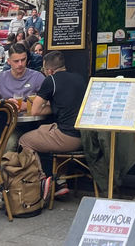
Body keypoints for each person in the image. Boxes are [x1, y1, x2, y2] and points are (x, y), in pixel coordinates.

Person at [20, 50, 87, 200]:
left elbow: (36, 110)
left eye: (44, 70)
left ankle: (42, 181)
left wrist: (49, 105)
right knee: (45, 130)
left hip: (67, 138)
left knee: (25, 140)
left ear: (49, 70)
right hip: (86, 136)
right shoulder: (80, 78)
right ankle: (61, 181)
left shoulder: (51, 81)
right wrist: (55, 105)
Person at [0, 43, 44, 112]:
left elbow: (51, 103)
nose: (20, 64)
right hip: (7, 120)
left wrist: (28, 105)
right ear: (9, 61)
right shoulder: (0, 78)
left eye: (23, 60)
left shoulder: (37, 77)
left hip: (34, 121)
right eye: (16, 61)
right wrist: (5, 104)